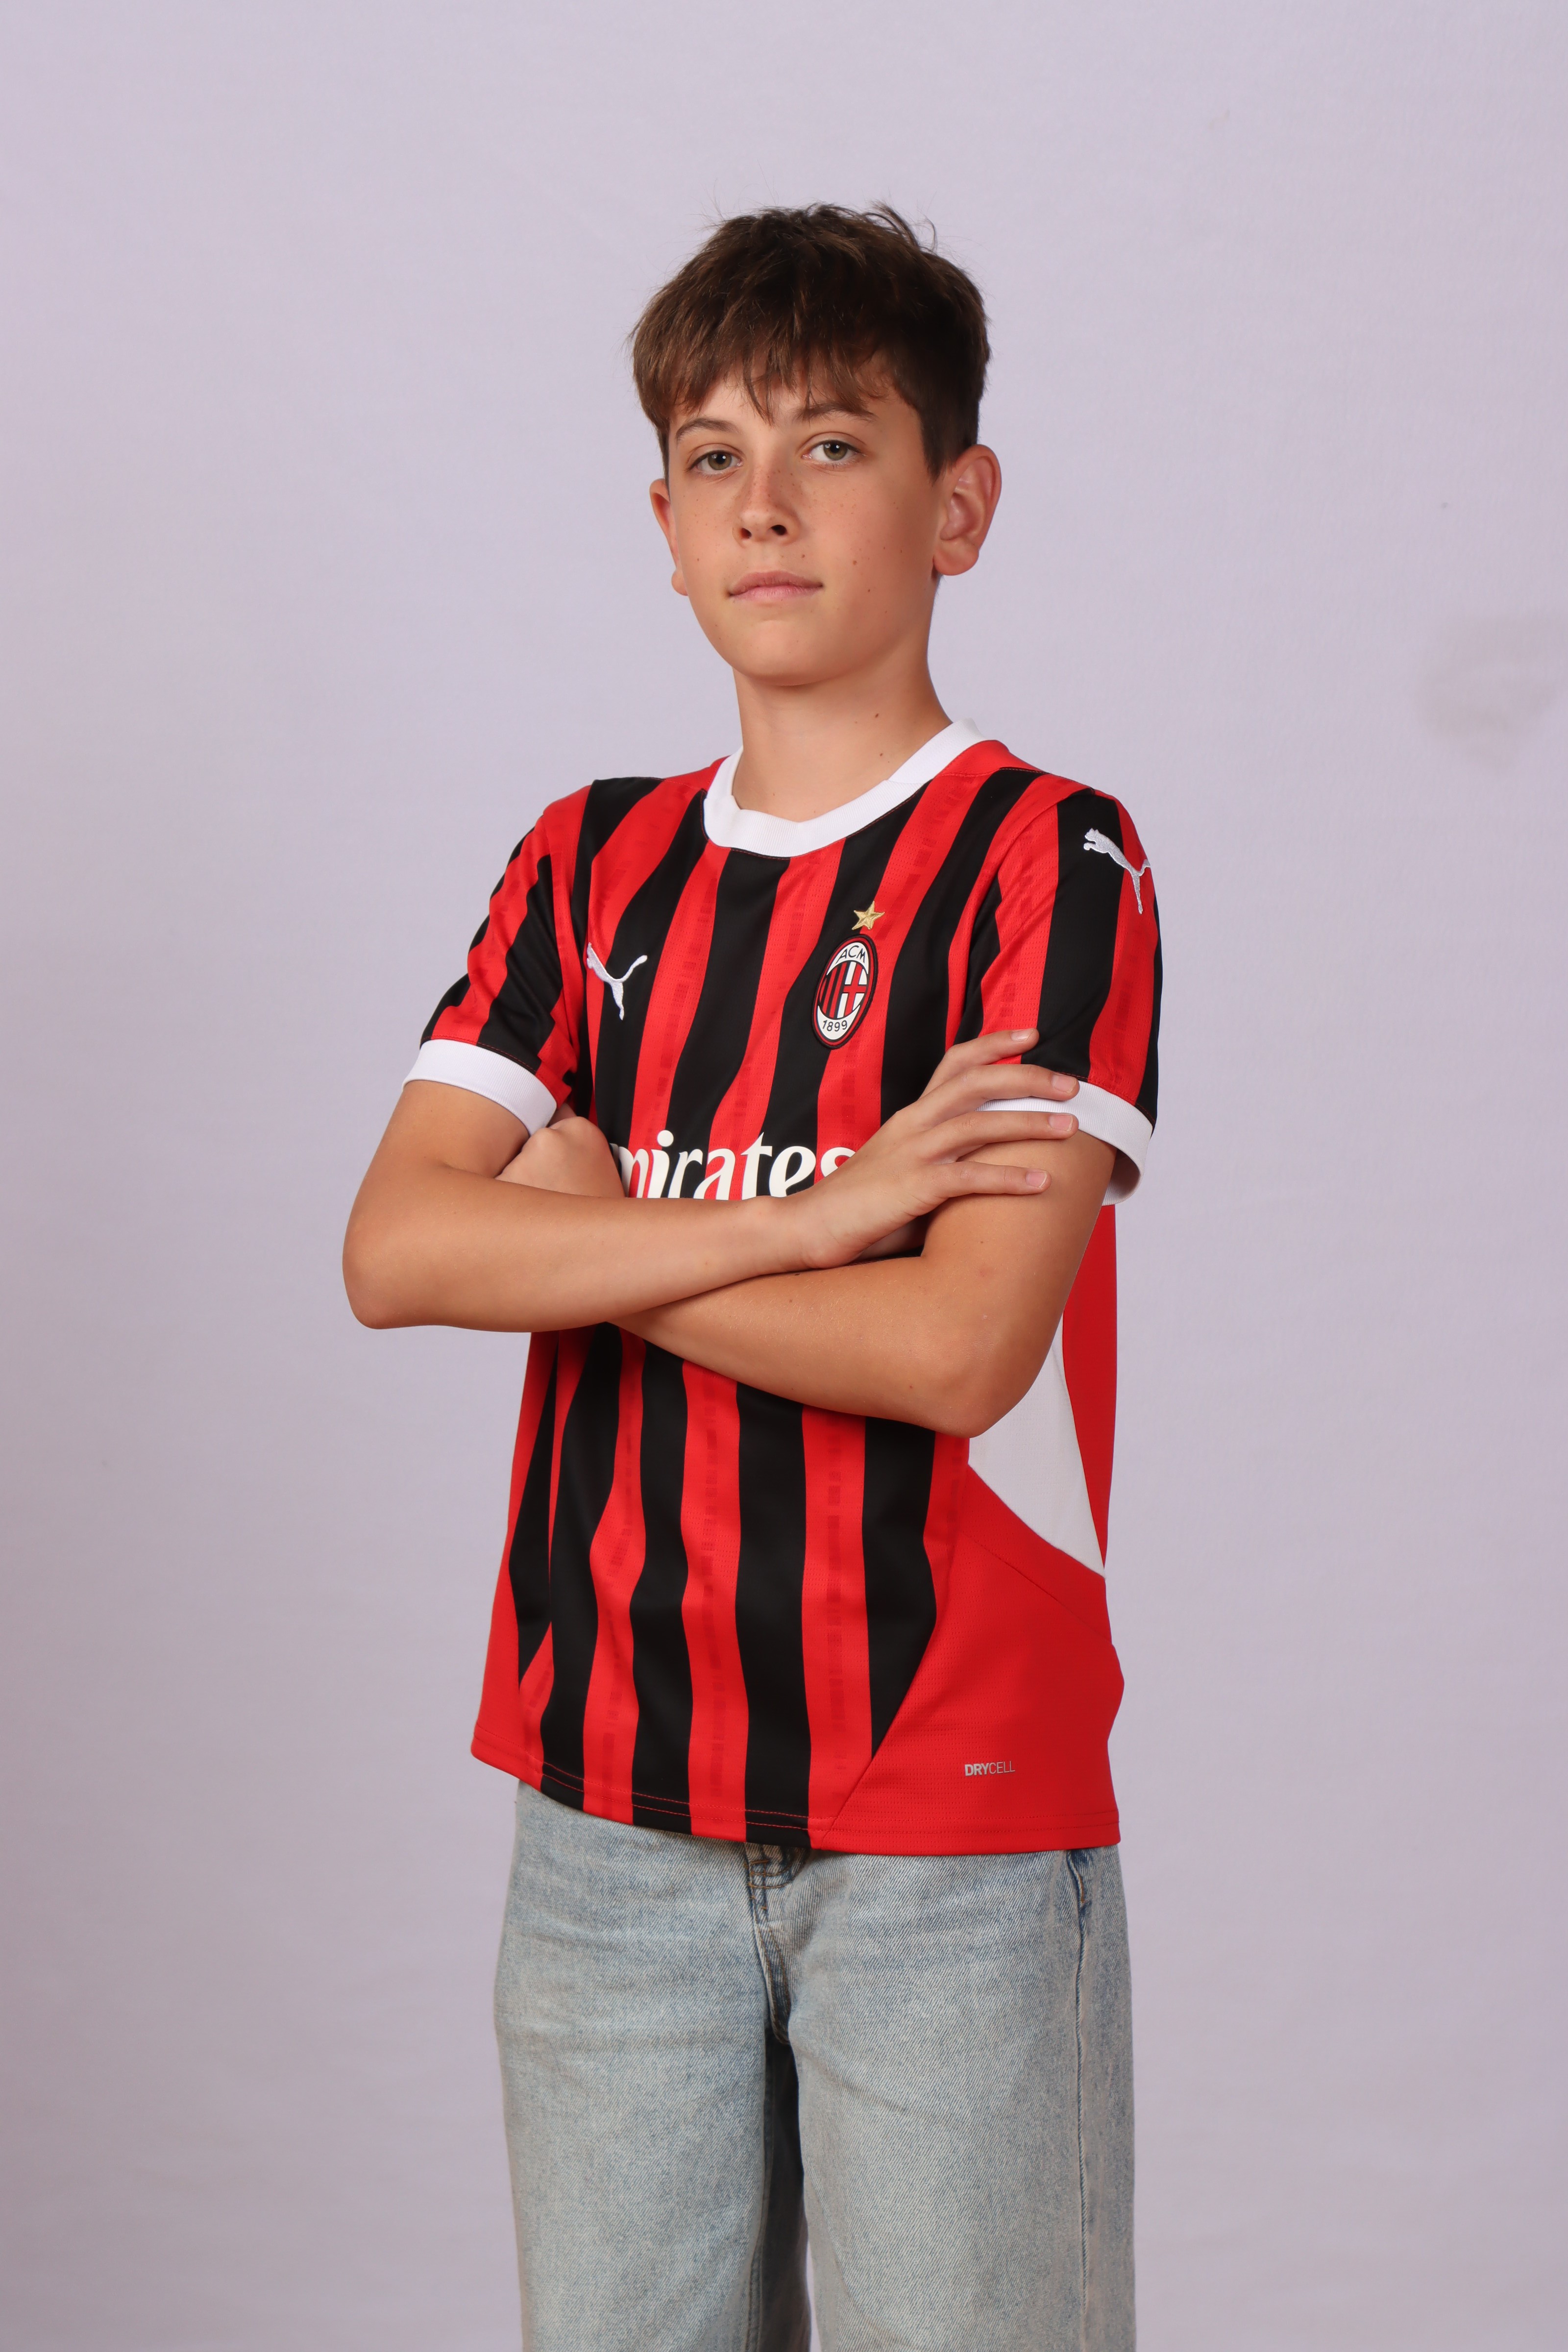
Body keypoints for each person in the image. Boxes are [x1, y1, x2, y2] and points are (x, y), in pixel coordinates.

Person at [344, 203, 1161, 2352]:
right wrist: (806, 1219)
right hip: (602, 1807)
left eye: (832, 444)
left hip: (946, 1818)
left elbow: (956, 1348)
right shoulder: (585, 861)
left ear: (958, 506)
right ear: (663, 523)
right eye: (713, 455)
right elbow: (397, 1248)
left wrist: (582, 1240)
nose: (764, 504)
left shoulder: (1049, 857)